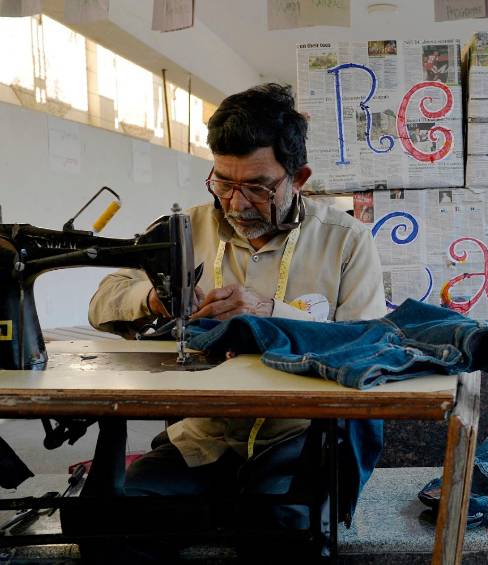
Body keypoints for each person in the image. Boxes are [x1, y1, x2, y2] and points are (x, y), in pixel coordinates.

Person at [87, 83, 386, 559]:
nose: (236, 202)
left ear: (299, 177)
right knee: (114, 525)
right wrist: (156, 298)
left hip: (295, 439)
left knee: (286, 534)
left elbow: (369, 348)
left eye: (256, 186)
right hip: (203, 437)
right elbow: (103, 303)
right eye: (223, 182)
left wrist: (270, 315)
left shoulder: (345, 242)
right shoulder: (186, 229)